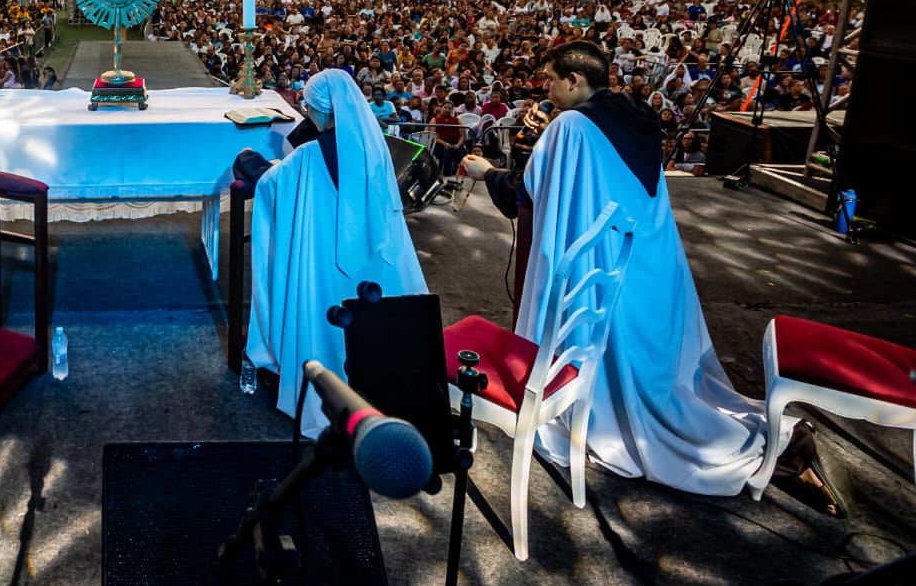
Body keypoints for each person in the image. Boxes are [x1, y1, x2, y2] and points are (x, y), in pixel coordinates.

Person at [461, 41, 839, 512]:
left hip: (602, 260)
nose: (547, 90)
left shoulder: (571, 127)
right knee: (652, 367)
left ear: (575, 81)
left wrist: (487, 172)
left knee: (624, 372)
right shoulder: (635, 114)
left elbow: (531, 191)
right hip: (645, 258)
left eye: (552, 80)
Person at [241, 68, 428, 435]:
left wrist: (249, 160)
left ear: (322, 109)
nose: (306, 111)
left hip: (324, 261)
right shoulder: (375, 146)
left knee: (325, 317)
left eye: (309, 105)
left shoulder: (310, 156)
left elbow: (271, 187)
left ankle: (326, 389)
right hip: (374, 264)